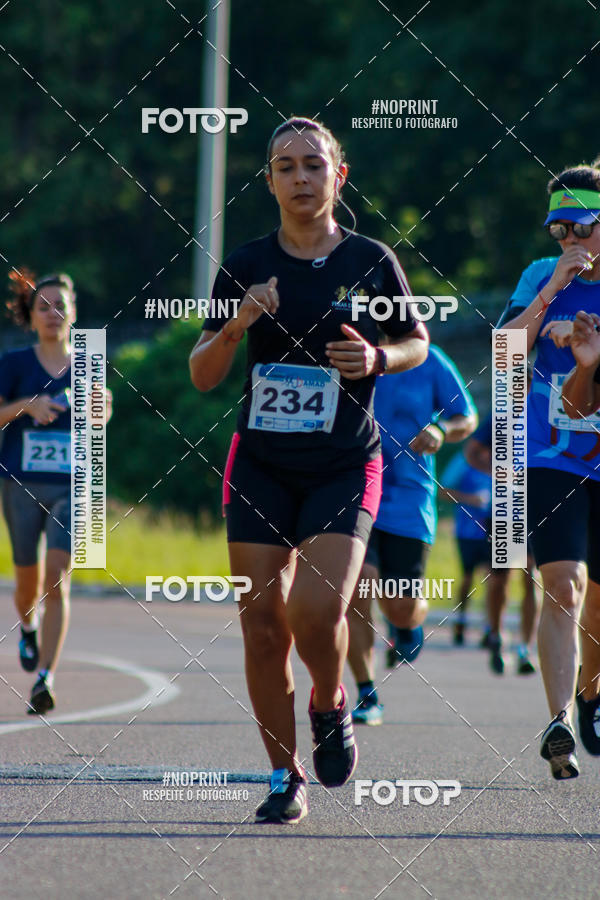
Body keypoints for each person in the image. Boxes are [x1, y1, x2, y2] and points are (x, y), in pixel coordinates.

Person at [189, 118, 429, 823]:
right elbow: (204, 375)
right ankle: (281, 776)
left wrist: (380, 359)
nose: (300, 178)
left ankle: (330, 701)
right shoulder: (243, 264)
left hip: (343, 464)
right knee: (262, 626)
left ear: (338, 176)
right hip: (260, 465)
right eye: (285, 167)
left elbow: (414, 342)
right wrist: (237, 323)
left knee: (317, 613)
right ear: (268, 181)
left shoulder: (371, 260)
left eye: (313, 166)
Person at [498, 162, 600, 779]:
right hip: (550, 455)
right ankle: (558, 716)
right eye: (556, 230)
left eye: (579, 227)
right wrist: (548, 297)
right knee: (562, 584)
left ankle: (591, 691)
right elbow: (505, 351)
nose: (567, 241)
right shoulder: (543, 274)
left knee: (598, 606)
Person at [345, 344, 477, 726]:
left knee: (398, 603)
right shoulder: (348, 349)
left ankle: (407, 624)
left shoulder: (429, 358)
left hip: (409, 498)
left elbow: (465, 417)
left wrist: (441, 428)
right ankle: (367, 693)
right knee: (359, 583)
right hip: (353, 490)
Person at [1, 271, 74, 714]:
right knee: (28, 583)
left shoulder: (89, 360)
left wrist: (100, 406)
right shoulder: (13, 363)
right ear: (31, 316)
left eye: (60, 305)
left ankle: (46, 676)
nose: (53, 313)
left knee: (56, 577)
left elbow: (104, 406)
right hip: (20, 482)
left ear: (73, 314)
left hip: (73, 484)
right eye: (44, 306)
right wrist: (27, 405)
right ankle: (27, 625)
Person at [464, 400, 540, 675]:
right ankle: (495, 634)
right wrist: (500, 471)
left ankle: (525, 649)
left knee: (531, 577)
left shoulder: (551, 411)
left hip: (538, 508)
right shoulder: (502, 416)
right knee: (500, 580)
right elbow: (472, 452)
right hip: (504, 509)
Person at [439, 449, 492, 647]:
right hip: (468, 530)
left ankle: (491, 628)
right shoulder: (464, 458)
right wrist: (471, 499)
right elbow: (443, 491)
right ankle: (460, 622)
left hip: (499, 528)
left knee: (494, 578)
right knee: (468, 577)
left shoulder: (512, 456)